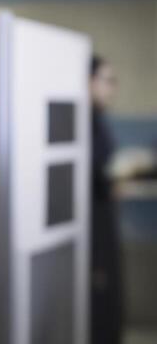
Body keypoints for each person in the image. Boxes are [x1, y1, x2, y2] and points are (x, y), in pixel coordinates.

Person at [89, 55, 121, 344]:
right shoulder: (82, 124)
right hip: (90, 233)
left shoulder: (97, 122)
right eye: (107, 80)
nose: (112, 88)